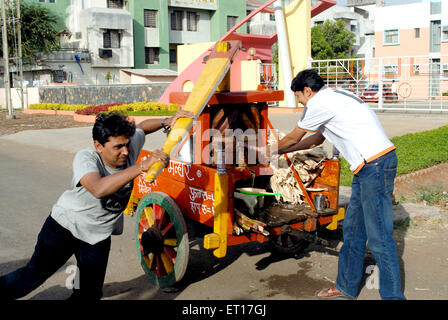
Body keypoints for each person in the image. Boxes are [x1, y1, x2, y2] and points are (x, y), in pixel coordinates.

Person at [0, 109, 194, 300]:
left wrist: (166, 121)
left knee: (89, 293)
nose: (125, 152)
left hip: (97, 236)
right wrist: (141, 166)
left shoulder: (127, 148)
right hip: (65, 227)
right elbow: (98, 188)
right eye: (117, 147)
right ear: (98, 146)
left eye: (126, 145)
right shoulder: (86, 158)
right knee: (32, 276)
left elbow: (142, 127)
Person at [275, 69, 405, 300]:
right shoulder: (336, 95)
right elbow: (316, 139)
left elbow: (295, 136)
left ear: (307, 91)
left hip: (375, 166)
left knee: (379, 239)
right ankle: (345, 286)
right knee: (353, 231)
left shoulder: (319, 104)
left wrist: (268, 150)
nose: (301, 103)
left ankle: (393, 297)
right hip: (366, 167)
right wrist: (283, 150)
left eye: (300, 98)